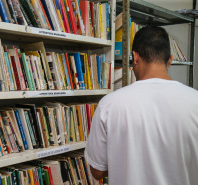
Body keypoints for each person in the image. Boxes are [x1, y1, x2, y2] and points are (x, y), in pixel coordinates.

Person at [84, 26, 198, 185]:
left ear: (135, 57)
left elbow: (97, 171)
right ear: (170, 60)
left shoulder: (109, 105)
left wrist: (130, 163)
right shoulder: (195, 101)